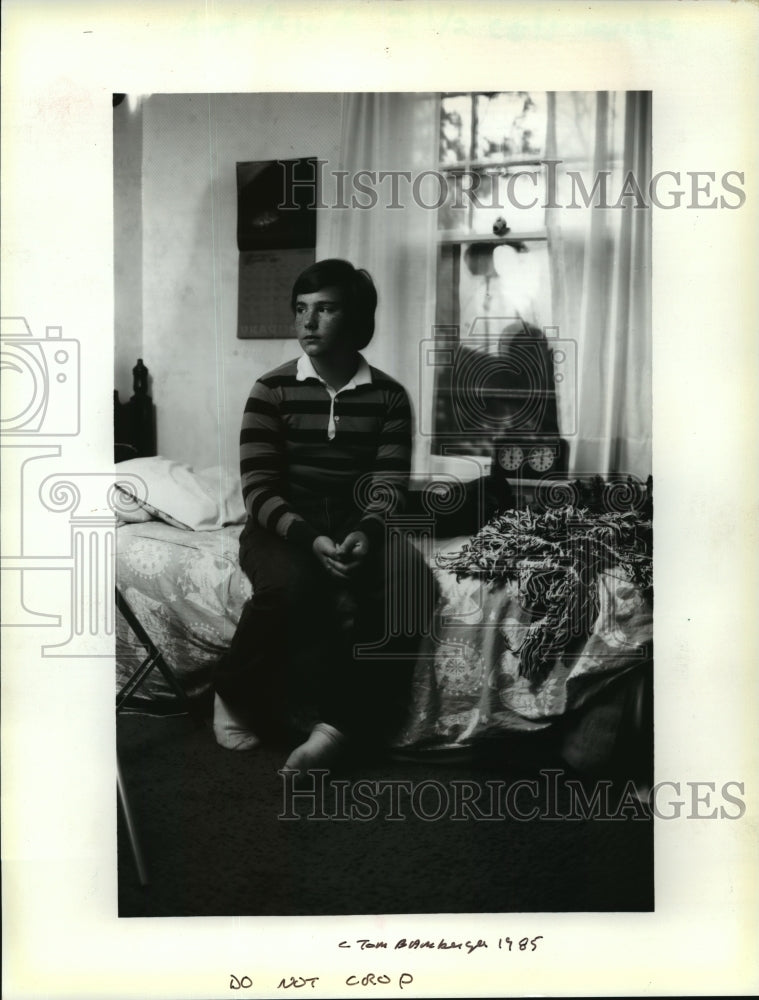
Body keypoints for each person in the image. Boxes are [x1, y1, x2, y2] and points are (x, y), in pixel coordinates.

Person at [213, 258, 422, 772]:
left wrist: (366, 534)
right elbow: (258, 490)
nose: (307, 322)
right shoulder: (271, 390)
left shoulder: (390, 396)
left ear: (355, 320)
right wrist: (309, 539)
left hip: (358, 522)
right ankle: (231, 695)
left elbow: (389, 485)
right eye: (301, 309)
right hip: (282, 524)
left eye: (325, 309)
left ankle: (336, 729)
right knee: (292, 588)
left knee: (411, 587)